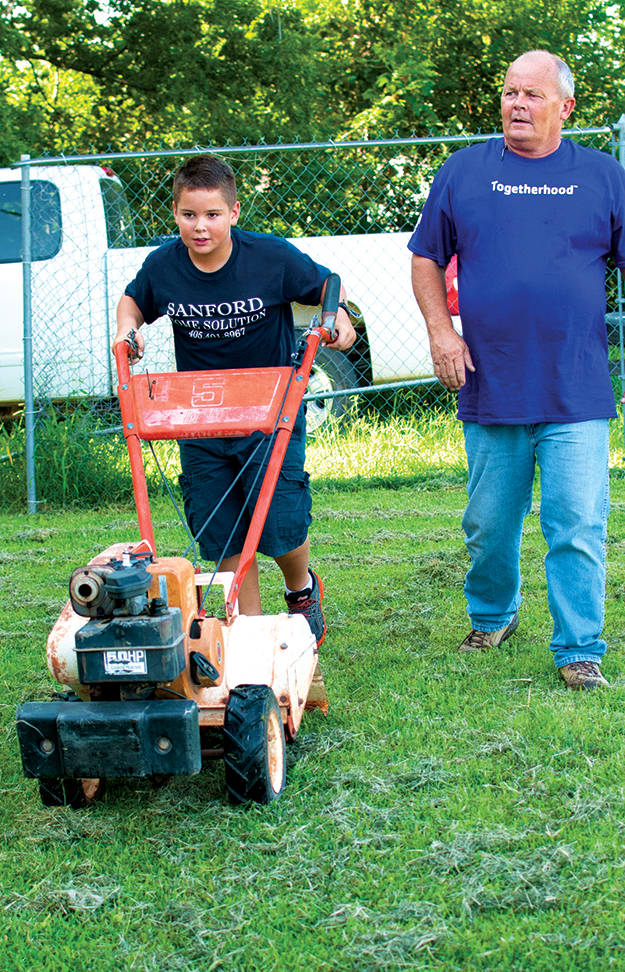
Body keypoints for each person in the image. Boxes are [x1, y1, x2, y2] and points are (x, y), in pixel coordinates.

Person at [409, 49, 625, 690]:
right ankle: (493, 616)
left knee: (578, 522)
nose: (517, 105)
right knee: (489, 521)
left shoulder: (605, 176)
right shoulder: (464, 172)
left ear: (566, 107)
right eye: (509, 93)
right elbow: (426, 257)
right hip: (490, 382)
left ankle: (579, 648)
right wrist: (440, 330)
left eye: (532, 94)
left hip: (575, 388)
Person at [114, 154, 356, 643]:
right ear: (175, 213)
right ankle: (247, 631)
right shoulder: (164, 265)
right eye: (188, 215)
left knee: (280, 523)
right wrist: (128, 330)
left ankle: (301, 589)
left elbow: (327, 285)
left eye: (212, 215)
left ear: (234, 212)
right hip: (198, 417)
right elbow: (134, 300)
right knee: (220, 528)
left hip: (269, 412)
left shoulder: (269, 257)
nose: (199, 227)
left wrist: (340, 318)